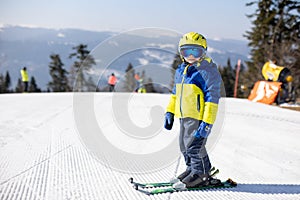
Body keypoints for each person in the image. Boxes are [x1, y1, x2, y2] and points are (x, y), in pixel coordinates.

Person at [164, 32, 222, 188]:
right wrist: (169, 112)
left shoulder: (207, 72)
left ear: (203, 52)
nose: (190, 56)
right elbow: (175, 95)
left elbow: (212, 99)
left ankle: (201, 174)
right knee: (184, 146)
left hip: (198, 117)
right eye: (186, 51)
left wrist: (207, 122)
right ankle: (192, 169)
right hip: (184, 116)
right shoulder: (181, 71)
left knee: (194, 146)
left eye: (195, 52)